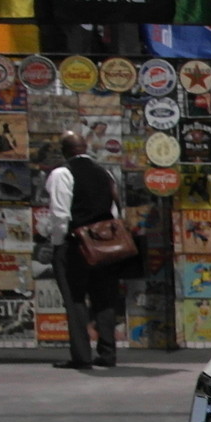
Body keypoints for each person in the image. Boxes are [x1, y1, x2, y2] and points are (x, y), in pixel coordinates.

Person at [40, 132, 128, 371]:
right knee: (104, 299)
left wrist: (59, 244)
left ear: (64, 150)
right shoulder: (104, 173)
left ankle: (82, 355)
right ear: (86, 147)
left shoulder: (62, 174)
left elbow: (60, 214)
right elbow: (114, 210)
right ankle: (108, 353)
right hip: (105, 245)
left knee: (75, 299)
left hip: (75, 246)